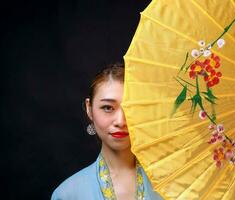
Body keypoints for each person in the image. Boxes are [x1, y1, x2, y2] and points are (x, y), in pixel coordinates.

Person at [51, 63, 163, 200]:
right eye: (108, 108)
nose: (121, 121)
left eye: (130, 108)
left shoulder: (171, 185)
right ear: (89, 108)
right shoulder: (68, 194)